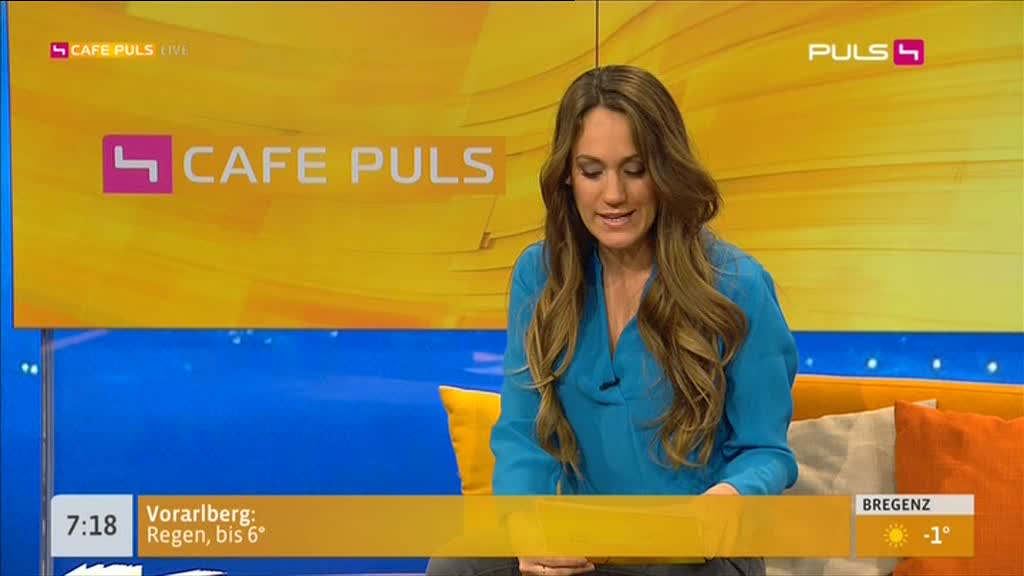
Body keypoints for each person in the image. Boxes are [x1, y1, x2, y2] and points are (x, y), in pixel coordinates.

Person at [427, 65, 798, 576]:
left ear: (665, 171)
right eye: (592, 171)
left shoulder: (735, 285)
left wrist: (732, 495)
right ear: (567, 175)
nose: (614, 194)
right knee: (458, 564)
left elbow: (766, 451)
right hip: (591, 540)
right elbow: (523, 433)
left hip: (698, 549)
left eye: (635, 169)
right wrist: (527, 527)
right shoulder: (542, 275)